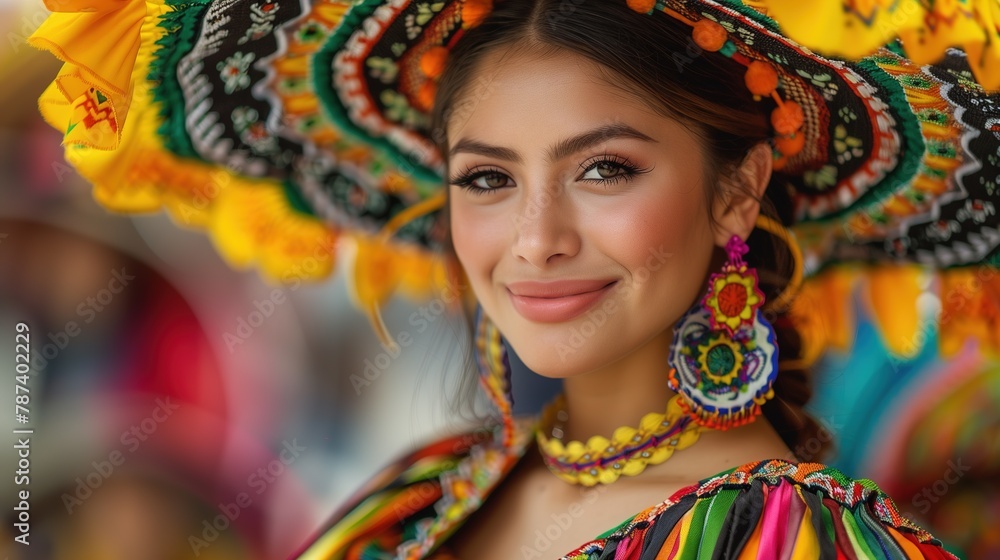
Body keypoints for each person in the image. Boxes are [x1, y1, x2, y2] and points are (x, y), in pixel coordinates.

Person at [27, 0, 997, 558]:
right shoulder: (422, 490)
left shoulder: (805, 541)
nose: (535, 239)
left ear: (737, 189)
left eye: (603, 168)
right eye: (487, 178)